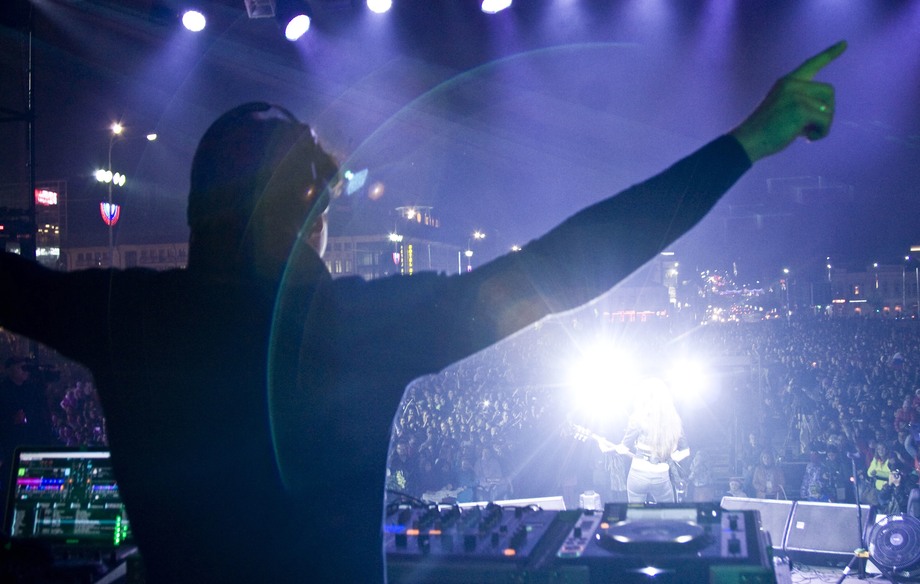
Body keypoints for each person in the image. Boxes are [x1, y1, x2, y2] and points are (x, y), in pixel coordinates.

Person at [0, 41, 846, 583]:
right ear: (300, 208)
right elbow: (571, 261)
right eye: (320, 200)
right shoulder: (353, 330)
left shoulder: (120, 312)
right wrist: (745, 144)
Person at [600, 382, 690, 503]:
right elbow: (686, 451)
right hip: (661, 475)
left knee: (636, 511)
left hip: (638, 474)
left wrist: (606, 448)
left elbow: (623, 449)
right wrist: (669, 457)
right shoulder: (674, 420)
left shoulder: (637, 417)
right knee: (667, 511)